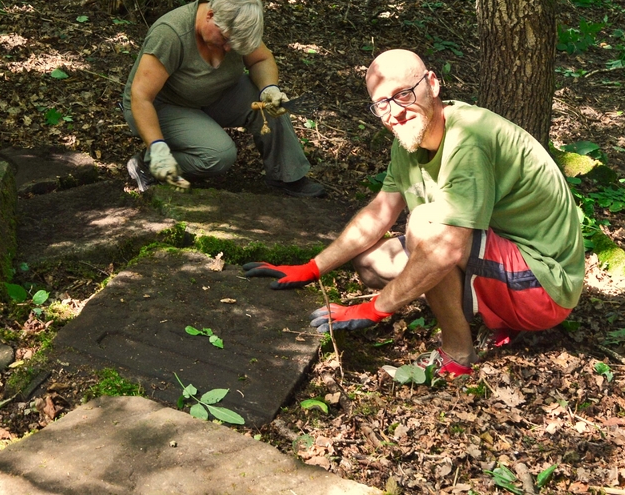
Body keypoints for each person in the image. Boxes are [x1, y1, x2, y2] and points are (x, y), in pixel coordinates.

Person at [243, 49, 584, 376]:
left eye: (404, 94)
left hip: (544, 287)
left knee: (424, 222)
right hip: (503, 264)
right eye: (382, 104)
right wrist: (312, 268)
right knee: (371, 264)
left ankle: (458, 353)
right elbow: (379, 212)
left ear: (432, 84)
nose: (395, 112)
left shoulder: (468, 137)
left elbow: (446, 246)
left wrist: (374, 309)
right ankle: (472, 308)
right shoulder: (409, 139)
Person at [122, 0, 324, 197]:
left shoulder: (236, 23)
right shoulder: (171, 34)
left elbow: (261, 59)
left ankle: (287, 175)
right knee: (218, 155)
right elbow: (141, 96)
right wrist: (157, 147)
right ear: (210, 15)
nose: (228, 49)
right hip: (161, 105)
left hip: (211, 94)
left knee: (270, 104)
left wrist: (269, 88)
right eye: (226, 40)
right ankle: (148, 164)